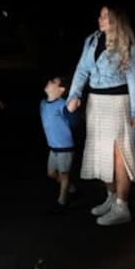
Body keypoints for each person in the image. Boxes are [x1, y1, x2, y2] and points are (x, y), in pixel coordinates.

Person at [67, 5, 135, 226]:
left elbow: (133, 80)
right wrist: (74, 94)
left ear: (116, 19)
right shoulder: (91, 40)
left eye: (105, 16)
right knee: (101, 153)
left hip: (117, 103)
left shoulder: (127, 45)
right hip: (96, 103)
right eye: (100, 15)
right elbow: (82, 70)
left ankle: (122, 206)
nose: (100, 19)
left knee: (119, 153)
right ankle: (111, 197)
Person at [40, 74, 79, 213]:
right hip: (53, 147)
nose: (49, 82)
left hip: (65, 147)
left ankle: (62, 203)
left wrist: (73, 111)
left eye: (53, 81)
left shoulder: (63, 105)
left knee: (64, 175)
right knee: (51, 173)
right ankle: (71, 189)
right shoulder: (43, 104)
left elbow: (74, 123)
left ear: (62, 89)